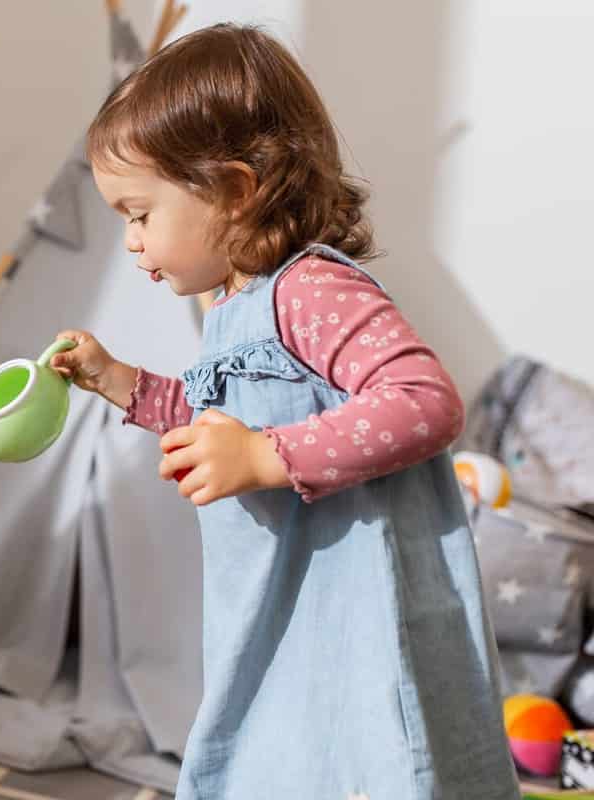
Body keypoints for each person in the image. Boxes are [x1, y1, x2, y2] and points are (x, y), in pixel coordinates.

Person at [50, 24, 519, 799]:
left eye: (139, 213)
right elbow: (220, 420)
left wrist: (269, 457)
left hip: (352, 596)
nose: (132, 243)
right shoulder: (235, 303)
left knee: (366, 758)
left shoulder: (311, 290)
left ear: (235, 190)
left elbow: (425, 403)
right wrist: (122, 383)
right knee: (278, 746)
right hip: (284, 597)